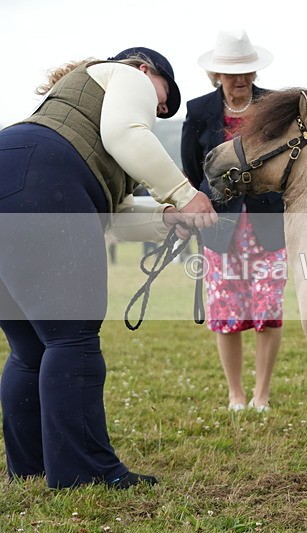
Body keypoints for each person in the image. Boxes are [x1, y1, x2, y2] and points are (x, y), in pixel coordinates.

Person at [0, 47, 217, 490]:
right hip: (44, 180)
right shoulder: (126, 75)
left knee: (30, 346)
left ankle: (30, 466)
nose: (161, 109)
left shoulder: (74, 117)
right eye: (164, 96)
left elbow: (112, 214)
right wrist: (185, 194)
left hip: (16, 173)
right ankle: (85, 473)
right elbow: (125, 134)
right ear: (144, 69)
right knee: (74, 337)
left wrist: (165, 217)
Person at [181, 29, 286, 413]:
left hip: (268, 224)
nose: (240, 79)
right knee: (226, 312)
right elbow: (193, 170)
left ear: (255, 71)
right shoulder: (198, 111)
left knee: (268, 310)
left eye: (246, 71)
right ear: (217, 74)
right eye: (231, 72)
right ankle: (236, 395)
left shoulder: (274, 107)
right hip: (219, 226)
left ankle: (262, 394)